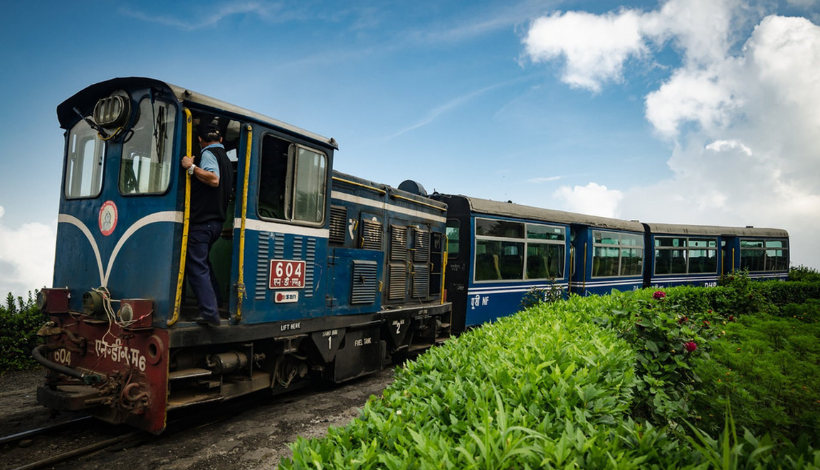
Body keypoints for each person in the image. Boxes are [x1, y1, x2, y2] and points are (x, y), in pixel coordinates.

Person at [180, 122, 233, 326]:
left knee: (195, 265)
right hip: (215, 225)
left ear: (200, 140)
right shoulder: (226, 159)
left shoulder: (208, 154)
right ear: (221, 140)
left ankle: (210, 313)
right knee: (203, 263)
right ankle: (216, 301)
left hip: (202, 224)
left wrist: (191, 167)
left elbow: (213, 180)